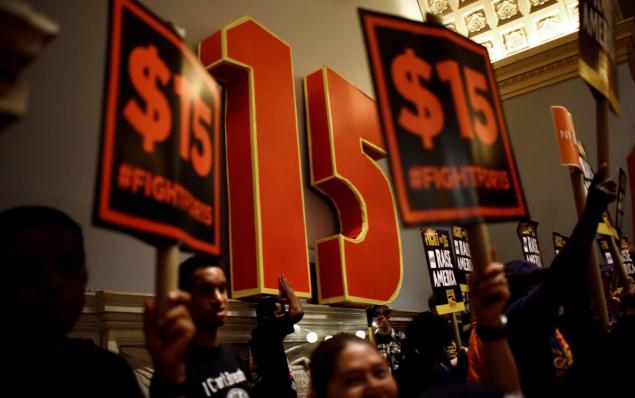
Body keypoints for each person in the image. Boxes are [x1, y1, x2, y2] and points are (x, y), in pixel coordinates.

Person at [468, 165, 617, 397]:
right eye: (532, 284)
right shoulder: (516, 321)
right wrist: (591, 214)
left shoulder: (549, 325)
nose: (539, 288)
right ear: (513, 292)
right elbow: (560, 278)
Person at [309, 263, 521, 398]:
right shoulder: (416, 372)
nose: (374, 386)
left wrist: (491, 323)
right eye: (353, 380)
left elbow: (507, 394)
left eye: (380, 373)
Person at [0, 206, 144, 397]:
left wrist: (171, 375)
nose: (54, 282)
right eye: (28, 269)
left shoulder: (105, 372)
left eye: (66, 265)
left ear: (85, 274)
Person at [145, 254, 252, 397]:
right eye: (205, 290)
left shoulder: (232, 355)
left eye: (222, 288)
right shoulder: (173, 371)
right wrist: (171, 379)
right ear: (184, 300)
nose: (219, 299)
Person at [250, 275, 304, 397]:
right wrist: (290, 293)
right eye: (280, 313)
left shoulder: (263, 332)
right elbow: (297, 311)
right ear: (266, 316)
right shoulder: (266, 330)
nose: (284, 315)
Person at [373, 305, 406, 372]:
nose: (378, 320)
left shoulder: (400, 336)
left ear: (388, 317)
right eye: (376, 316)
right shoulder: (372, 340)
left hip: (401, 377)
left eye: (381, 317)